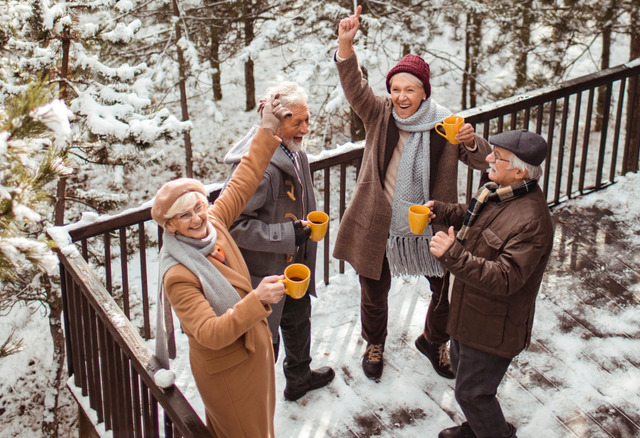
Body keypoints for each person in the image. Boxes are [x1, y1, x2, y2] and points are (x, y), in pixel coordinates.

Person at [335, 6, 491, 381]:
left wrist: (472, 140)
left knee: (444, 289)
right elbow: (354, 87)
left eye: (410, 89)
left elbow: (483, 161)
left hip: (431, 223)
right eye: (396, 89)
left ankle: (434, 340)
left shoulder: (445, 123)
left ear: (424, 92)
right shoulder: (380, 114)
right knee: (373, 292)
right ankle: (375, 343)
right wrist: (345, 43)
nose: (401, 97)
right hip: (380, 222)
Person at [150, 97, 290, 438]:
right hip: (228, 372)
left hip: (253, 355)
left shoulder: (215, 222)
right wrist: (257, 300)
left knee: (258, 427)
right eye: (184, 215)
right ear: (170, 226)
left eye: (198, 206)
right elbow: (209, 333)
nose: (197, 218)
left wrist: (268, 126)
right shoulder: (178, 274)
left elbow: (244, 178)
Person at [427, 129, 554, 438]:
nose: (488, 159)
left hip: (492, 326)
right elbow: (474, 216)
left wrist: (453, 254)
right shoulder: (498, 191)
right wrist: (441, 211)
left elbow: (506, 278)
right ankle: (476, 429)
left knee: (473, 394)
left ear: (520, 170)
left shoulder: (532, 221)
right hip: (468, 312)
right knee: (465, 376)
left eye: (497, 157)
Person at [224, 81, 335, 402]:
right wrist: (290, 234)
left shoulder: (293, 150)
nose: (305, 129)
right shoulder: (258, 169)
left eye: (307, 119)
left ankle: (299, 378)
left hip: (294, 265)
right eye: (296, 122)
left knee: (299, 319)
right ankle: (251, 407)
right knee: (263, 343)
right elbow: (232, 226)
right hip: (264, 275)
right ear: (273, 123)